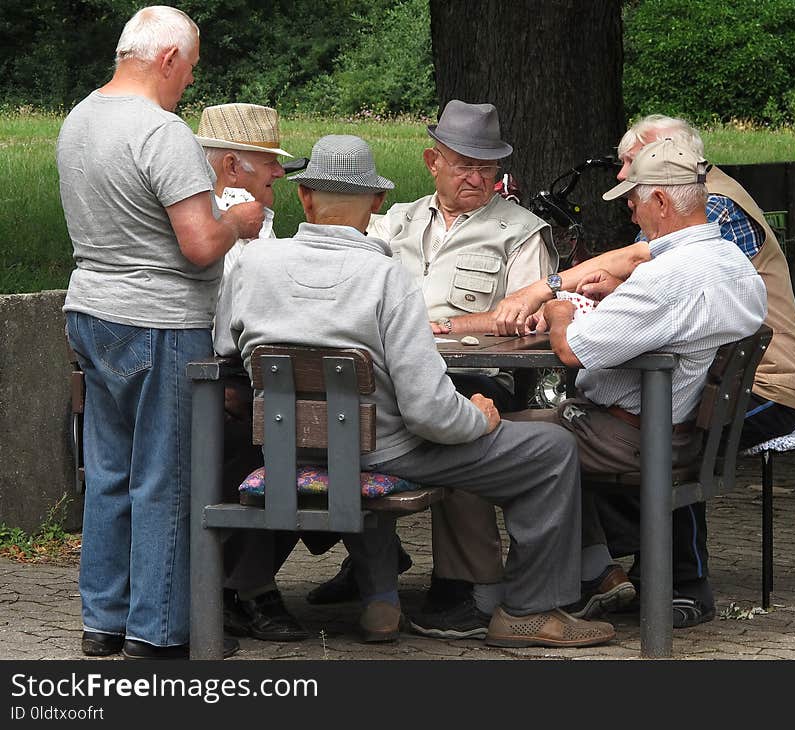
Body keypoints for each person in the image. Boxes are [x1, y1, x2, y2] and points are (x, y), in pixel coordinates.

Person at [214, 133, 615, 648]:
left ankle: (382, 599)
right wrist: (480, 419)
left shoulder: (251, 264)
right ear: (377, 203)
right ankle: (530, 610)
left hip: (286, 446)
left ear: (306, 198)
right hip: (383, 451)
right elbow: (429, 413)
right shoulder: (386, 277)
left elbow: (225, 345)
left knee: (365, 445)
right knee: (553, 449)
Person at [491, 114, 795, 625]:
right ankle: (601, 572)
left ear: (662, 199)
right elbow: (684, 304)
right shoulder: (726, 257)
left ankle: (517, 594)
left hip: (651, 432)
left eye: (634, 197)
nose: (630, 211)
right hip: (681, 419)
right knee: (560, 429)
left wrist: (557, 305)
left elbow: (573, 349)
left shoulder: (673, 272)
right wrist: (621, 297)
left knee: (495, 439)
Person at [58, 6, 265, 660]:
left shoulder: (78, 119)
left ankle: (104, 622)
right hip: (160, 321)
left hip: (91, 311)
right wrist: (242, 217)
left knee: (110, 472)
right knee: (166, 476)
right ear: (169, 58)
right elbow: (200, 244)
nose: (189, 82)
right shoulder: (161, 131)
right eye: (192, 68)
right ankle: (159, 630)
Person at [309, 100, 557, 639]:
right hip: (386, 379)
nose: (475, 178)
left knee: (458, 418)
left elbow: (532, 322)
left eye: (486, 169)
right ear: (432, 162)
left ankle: (467, 588)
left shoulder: (520, 231)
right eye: (462, 164)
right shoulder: (394, 219)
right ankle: (374, 568)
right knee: (347, 413)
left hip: (478, 376)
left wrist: (469, 327)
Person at [196, 102, 308, 642]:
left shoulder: (238, 214)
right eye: (269, 161)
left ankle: (240, 586)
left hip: (232, 375)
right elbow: (234, 322)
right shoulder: (234, 216)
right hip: (216, 378)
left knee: (302, 431)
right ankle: (244, 588)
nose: (280, 174)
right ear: (233, 167)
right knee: (294, 444)